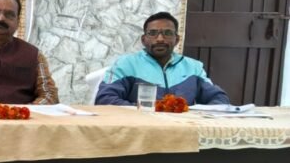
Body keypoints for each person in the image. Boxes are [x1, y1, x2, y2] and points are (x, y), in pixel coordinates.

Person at [95, 11, 230, 106]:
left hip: (183, 131)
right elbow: (105, 99)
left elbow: (219, 99)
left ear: (177, 39)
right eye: (153, 33)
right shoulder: (126, 64)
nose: (160, 39)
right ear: (143, 39)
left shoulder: (193, 67)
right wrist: (146, 111)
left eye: (167, 33)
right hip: (140, 130)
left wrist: (191, 114)